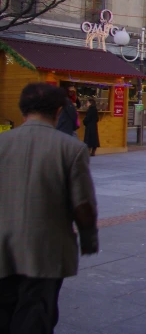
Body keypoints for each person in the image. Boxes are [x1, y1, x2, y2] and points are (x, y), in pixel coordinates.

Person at [0, 83, 98, 334]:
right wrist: (88, 239)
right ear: (58, 111)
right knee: (36, 314)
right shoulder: (71, 148)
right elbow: (83, 202)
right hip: (46, 250)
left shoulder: (3, 142)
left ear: (23, 111)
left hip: (2, 245)